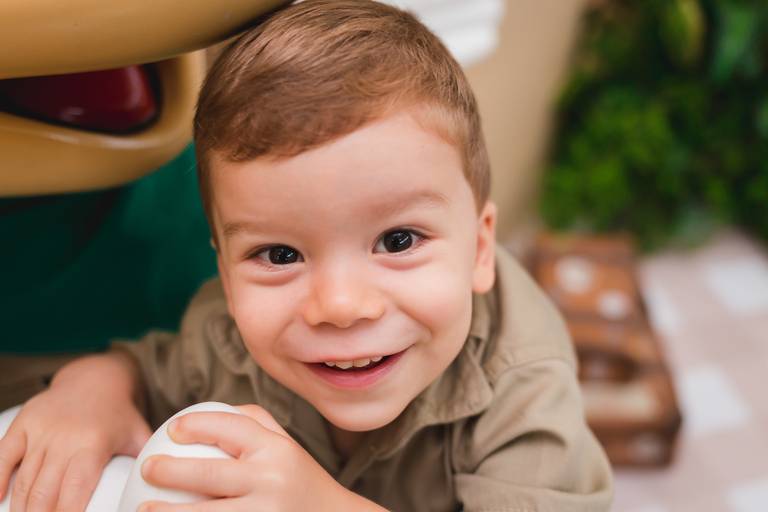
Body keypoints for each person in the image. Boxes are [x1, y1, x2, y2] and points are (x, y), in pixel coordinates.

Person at [0, 1, 613, 510]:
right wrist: (94, 387)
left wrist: (321, 504)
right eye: (279, 254)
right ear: (223, 269)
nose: (340, 306)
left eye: (398, 241)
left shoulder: (521, 390)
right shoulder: (227, 336)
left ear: (481, 249)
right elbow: (154, 369)